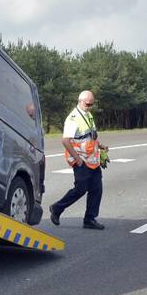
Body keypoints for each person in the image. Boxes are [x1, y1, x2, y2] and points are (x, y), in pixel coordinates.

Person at [50, 90, 107, 230]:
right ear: (80, 101)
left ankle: (90, 219)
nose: (90, 106)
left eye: (92, 104)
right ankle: (57, 208)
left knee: (96, 188)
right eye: (88, 104)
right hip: (80, 159)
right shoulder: (73, 118)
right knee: (81, 189)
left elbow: (90, 136)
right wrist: (77, 158)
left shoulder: (88, 115)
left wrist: (101, 146)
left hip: (92, 159)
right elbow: (65, 140)